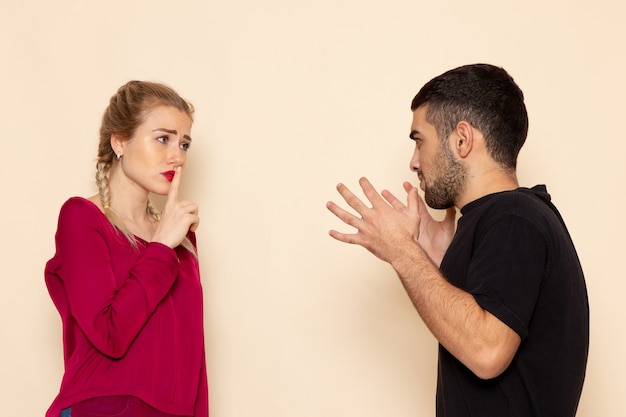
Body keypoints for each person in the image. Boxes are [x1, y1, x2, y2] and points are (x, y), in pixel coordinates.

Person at [326, 64, 589, 416]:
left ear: (462, 139)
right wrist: (441, 265)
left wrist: (402, 252)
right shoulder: (508, 220)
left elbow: (486, 352)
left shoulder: (514, 218)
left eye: (420, 141)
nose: (413, 162)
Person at [45, 81, 208, 417]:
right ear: (119, 141)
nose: (177, 156)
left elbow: (193, 355)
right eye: (163, 138)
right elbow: (110, 334)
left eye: (185, 144)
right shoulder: (82, 218)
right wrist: (161, 246)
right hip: (103, 406)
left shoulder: (180, 236)